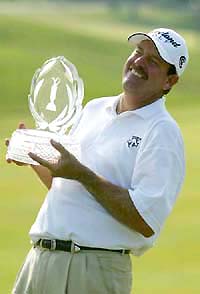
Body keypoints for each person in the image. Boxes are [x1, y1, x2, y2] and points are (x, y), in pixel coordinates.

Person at [7, 27, 189, 294]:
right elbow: (69, 186)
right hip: (40, 261)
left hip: (93, 268)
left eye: (153, 62)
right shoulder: (94, 108)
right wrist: (33, 156)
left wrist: (83, 174)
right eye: (139, 52)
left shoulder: (163, 131)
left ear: (169, 82)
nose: (139, 62)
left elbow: (145, 219)